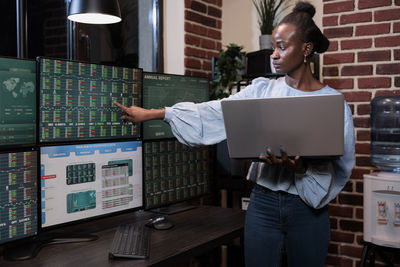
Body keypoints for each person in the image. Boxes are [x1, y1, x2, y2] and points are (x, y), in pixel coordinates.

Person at [113, 2, 355, 266]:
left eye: (282, 47)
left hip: (308, 211)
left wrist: (300, 169)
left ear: (306, 49)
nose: (274, 54)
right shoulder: (262, 90)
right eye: (273, 46)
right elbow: (216, 112)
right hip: (263, 205)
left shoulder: (334, 103)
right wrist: (154, 114)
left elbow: (341, 165)